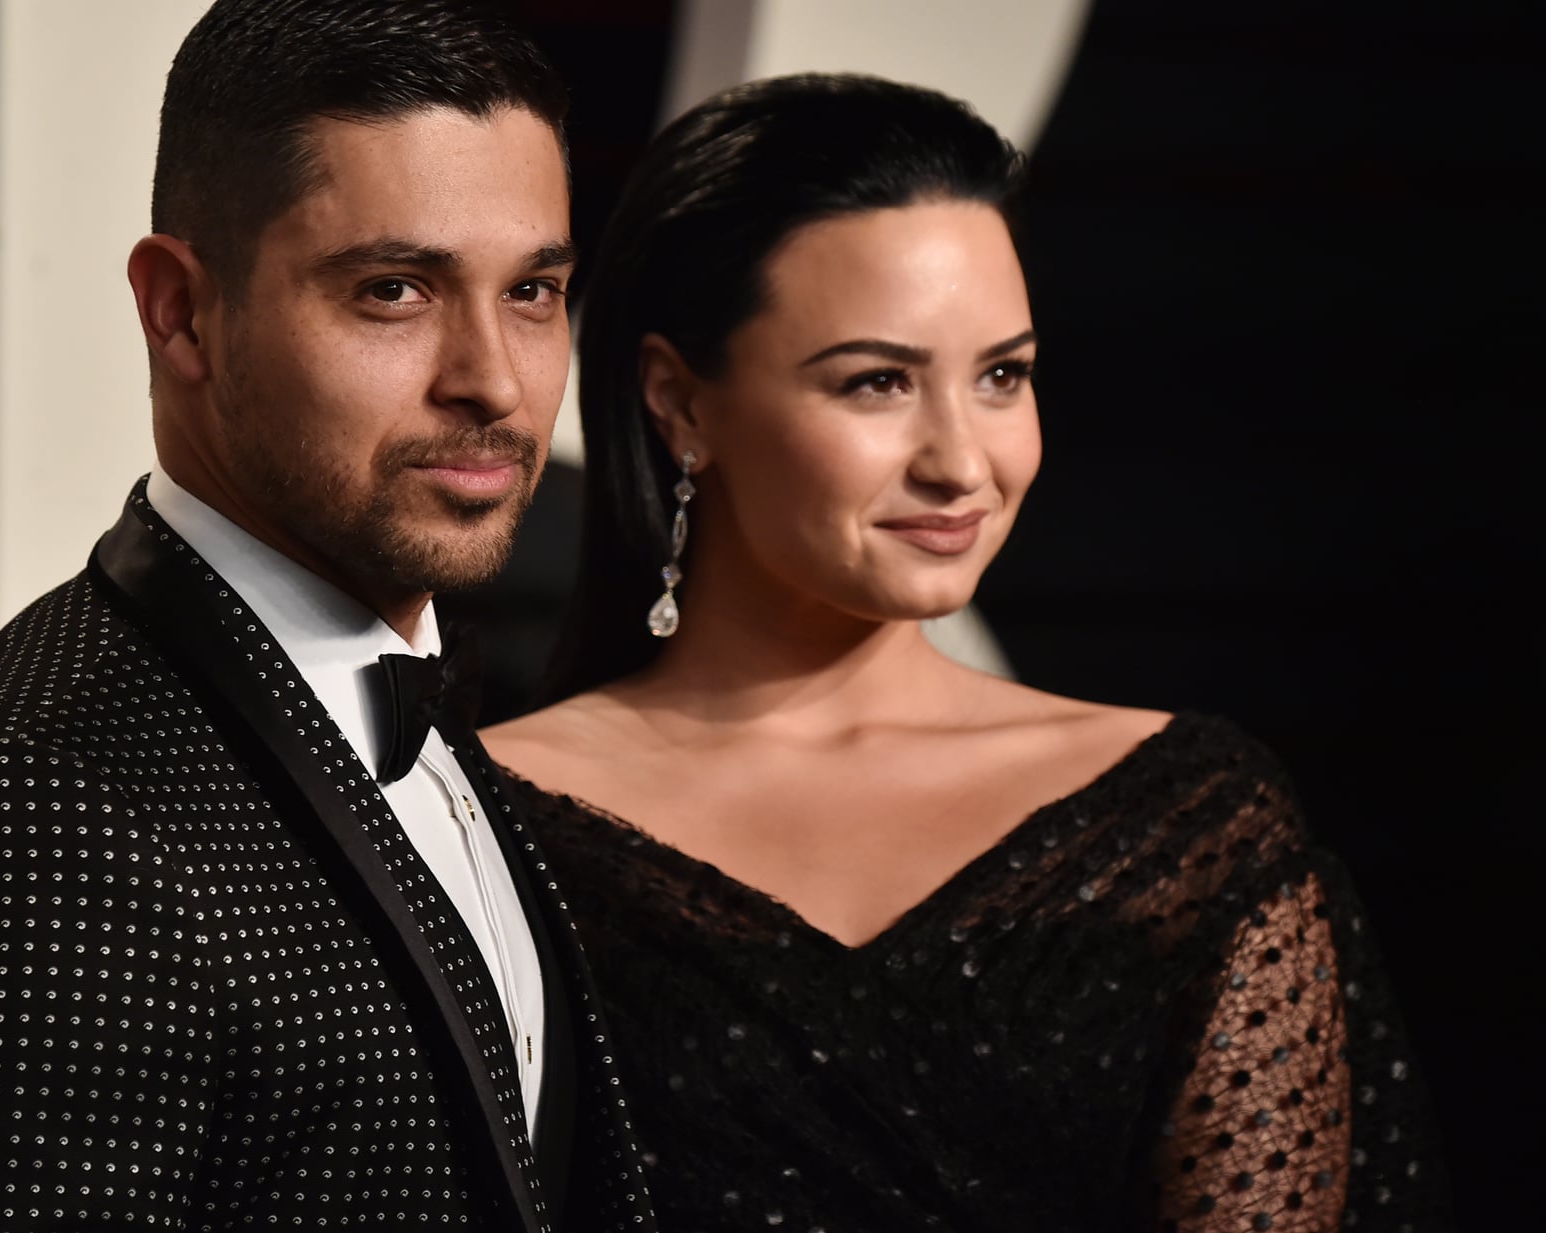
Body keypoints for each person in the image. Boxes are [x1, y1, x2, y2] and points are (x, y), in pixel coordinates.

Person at [482, 73, 1451, 1230]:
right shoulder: (477, 829)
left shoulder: (1185, 823)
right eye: (877, 381)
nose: (960, 459)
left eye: (1002, 374)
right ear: (678, 402)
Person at [0, 0, 657, 1232]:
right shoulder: (33, 814)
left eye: (531, 290)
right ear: (181, 313)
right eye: (394, 290)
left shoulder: (425, 688)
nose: (492, 377)